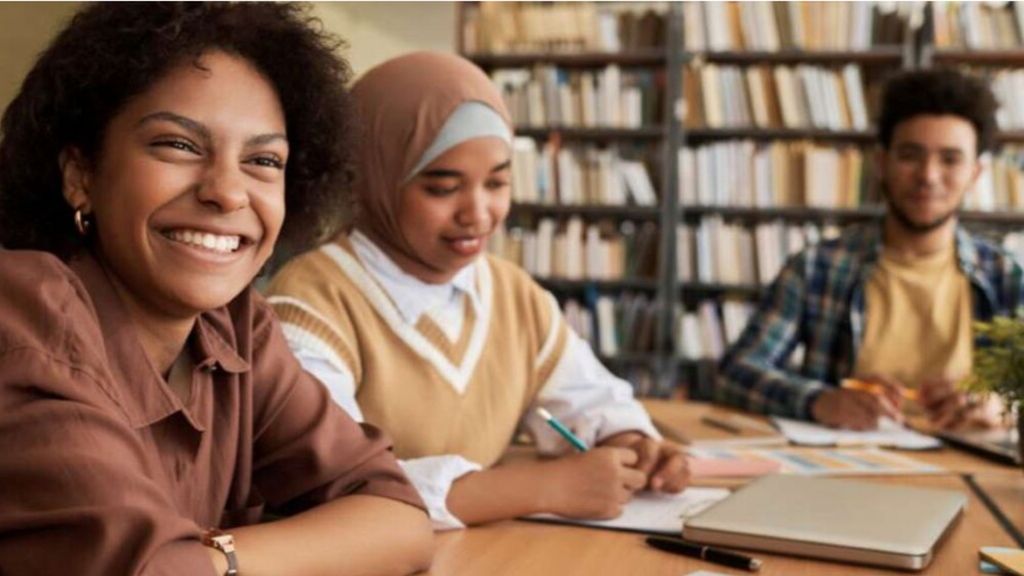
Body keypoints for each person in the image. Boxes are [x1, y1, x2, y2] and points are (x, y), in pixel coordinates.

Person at [0, 4, 433, 575]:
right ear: (81, 175)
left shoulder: (236, 328)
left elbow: (399, 517)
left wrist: (215, 559)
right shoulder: (23, 312)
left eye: (263, 159)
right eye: (179, 145)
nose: (228, 192)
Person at [266, 51, 690, 530]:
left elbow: (589, 398)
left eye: (498, 182)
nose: (479, 213)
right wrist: (544, 488)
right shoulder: (311, 301)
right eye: (443, 188)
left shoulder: (512, 292)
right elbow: (333, 483)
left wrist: (633, 443)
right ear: (372, 179)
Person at [716, 68, 1018, 431]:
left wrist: (1003, 405)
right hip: (843, 458)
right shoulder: (817, 267)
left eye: (950, 159)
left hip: (968, 461)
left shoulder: (1007, 277)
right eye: (910, 155)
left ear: (976, 173)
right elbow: (735, 372)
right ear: (881, 163)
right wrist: (819, 401)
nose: (928, 176)